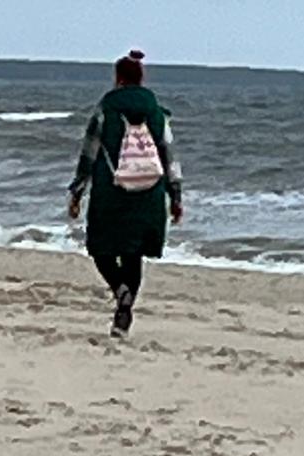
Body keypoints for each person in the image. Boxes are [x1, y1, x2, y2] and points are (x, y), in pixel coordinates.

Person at [67, 50, 183, 337]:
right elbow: (169, 156)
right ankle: (124, 311)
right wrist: (176, 196)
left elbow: (88, 155)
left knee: (100, 248)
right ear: (141, 78)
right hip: (149, 194)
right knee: (134, 254)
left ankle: (120, 290)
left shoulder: (105, 109)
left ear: (118, 78)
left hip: (111, 193)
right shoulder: (157, 112)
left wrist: (77, 192)